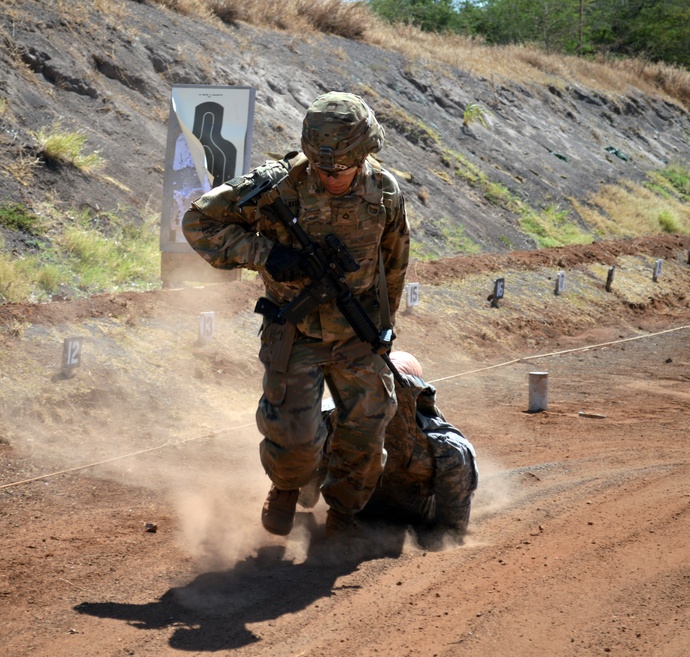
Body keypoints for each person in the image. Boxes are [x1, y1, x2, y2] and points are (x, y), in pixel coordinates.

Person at [182, 92, 410, 538]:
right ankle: (286, 486)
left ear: (364, 155)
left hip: (356, 333)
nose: (331, 176)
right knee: (295, 438)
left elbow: (394, 260)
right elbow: (199, 224)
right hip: (296, 329)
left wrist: (384, 325)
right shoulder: (275, 187)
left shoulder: (384, 192)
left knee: (368, 427)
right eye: (323, 168)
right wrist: (268, 254)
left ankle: (343, 513)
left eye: (342, 169)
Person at [310, 350, 478, 550]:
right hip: (381, 511)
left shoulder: (333, 418)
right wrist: (451, 532)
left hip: (384, 511)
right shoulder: (440, 438)